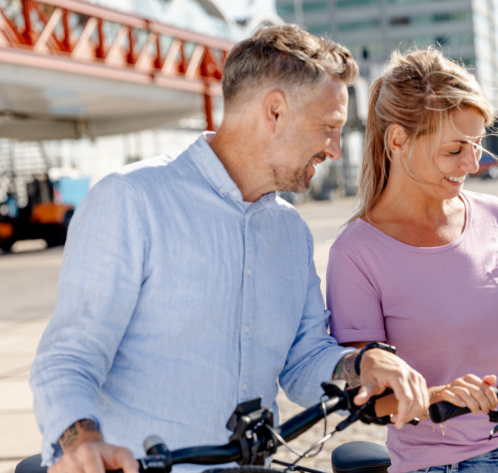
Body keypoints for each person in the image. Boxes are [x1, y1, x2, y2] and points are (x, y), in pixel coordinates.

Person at [29, 25, 429, 473]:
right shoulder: (132, 200)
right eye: (328, 128)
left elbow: (304, 361)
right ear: (274, 110)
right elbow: (69, 358)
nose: (335, 149)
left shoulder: (290, 231)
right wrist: (81, 441)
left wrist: (361, 362)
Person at [325, 49, 498, 473]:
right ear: (398, 140)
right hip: (446, 465)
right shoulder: (357, 253)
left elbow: (495, 329)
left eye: (476, 146)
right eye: (455, 149)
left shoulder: (494, 214)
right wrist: (439, 395)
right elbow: (371, 399)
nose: (473, 164)